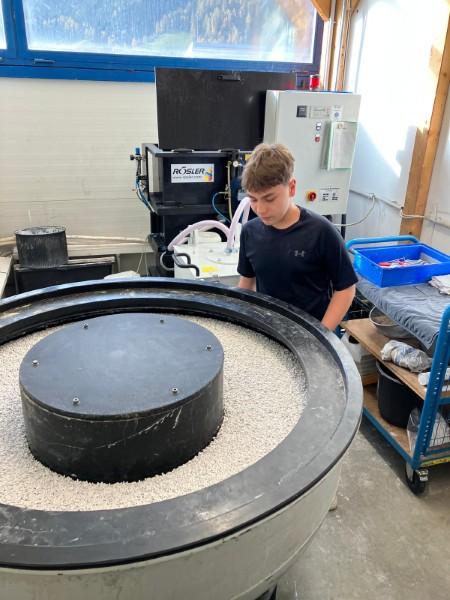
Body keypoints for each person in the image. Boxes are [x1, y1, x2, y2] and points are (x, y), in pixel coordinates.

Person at [238, 143, 357, 332]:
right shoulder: (249, 232)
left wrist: (321, 334)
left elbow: (346, 289)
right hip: (270, 329)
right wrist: (240, 323)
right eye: (253, 199)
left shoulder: (321, 232)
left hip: (313, 330)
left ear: (291, 188)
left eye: (269, 199)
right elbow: (247, 281)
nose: (260, 209)